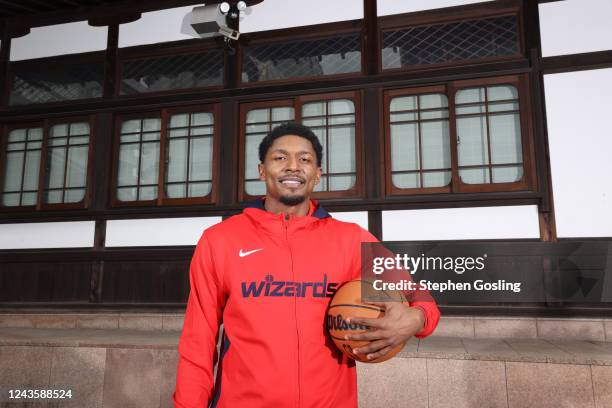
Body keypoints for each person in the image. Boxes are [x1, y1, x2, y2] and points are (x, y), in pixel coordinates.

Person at [173, 122, 440, 408]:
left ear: (317, 175)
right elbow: (197, 342)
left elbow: (416, 296)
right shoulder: (220, 240)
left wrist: (416, 319)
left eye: (305, 159)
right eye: (280, 157)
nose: (293, 166)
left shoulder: (350, 239)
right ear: (262, 170)